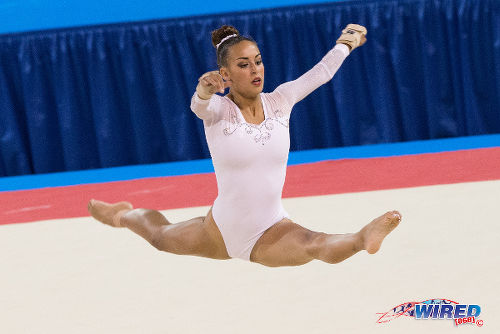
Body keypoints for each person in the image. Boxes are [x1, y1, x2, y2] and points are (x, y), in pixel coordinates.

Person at [88, 24, 402, 267]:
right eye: (243, 65)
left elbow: (321, 73)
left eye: (258, 61)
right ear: (225, 74)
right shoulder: (219, 112)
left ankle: (362, 238)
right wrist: (203, 89)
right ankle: (122, 215)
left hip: (271, 226)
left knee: (313, 244)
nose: (255, 70)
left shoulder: (281, 100)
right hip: (221, 230)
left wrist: (346, 42)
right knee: (159, 237)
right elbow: (199, 106)